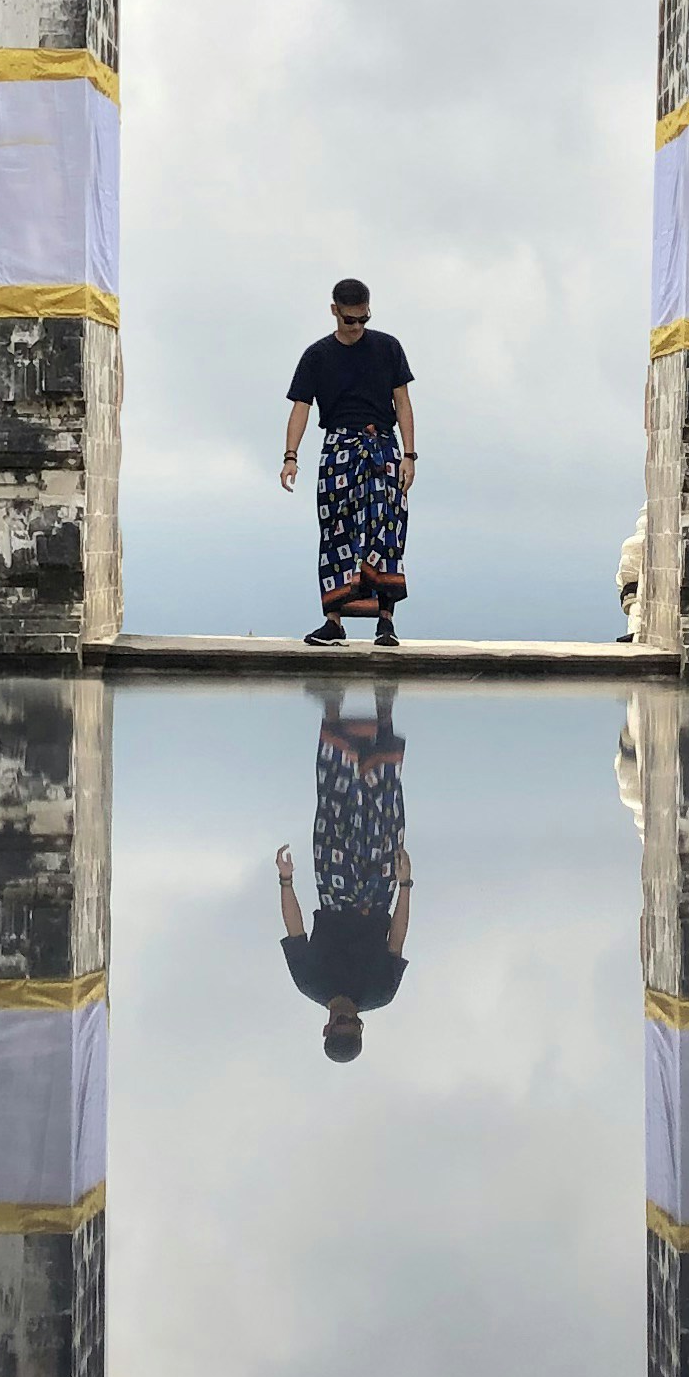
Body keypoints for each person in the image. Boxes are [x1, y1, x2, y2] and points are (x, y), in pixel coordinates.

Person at [280, 276, 416, 649]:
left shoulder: (388, 347)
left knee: (386, 532)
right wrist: (291, 456)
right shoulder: (317, 355)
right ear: (334, 312)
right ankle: (333, 622)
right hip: (338, 447)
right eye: (350, 319)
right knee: (336, 532)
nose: (357, 327)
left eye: (363, 319)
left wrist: (409, 455)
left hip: (382, 447)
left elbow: (402, 402)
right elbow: (301, 407)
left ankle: (385, 621)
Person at [277, 690, 412, 1062]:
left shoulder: (310, 983)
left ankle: (332, 710)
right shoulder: (381, 992)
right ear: (361, 1027)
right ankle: (384, 714)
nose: (348, 1017)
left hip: (334, 891)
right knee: (385, 807)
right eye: (354, 1024)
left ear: (326, 1027)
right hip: (379, 894)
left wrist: (286, 881)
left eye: (340, 1023)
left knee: (335, 805)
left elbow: (295, 929)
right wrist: (405, 885)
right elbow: (397, 938)